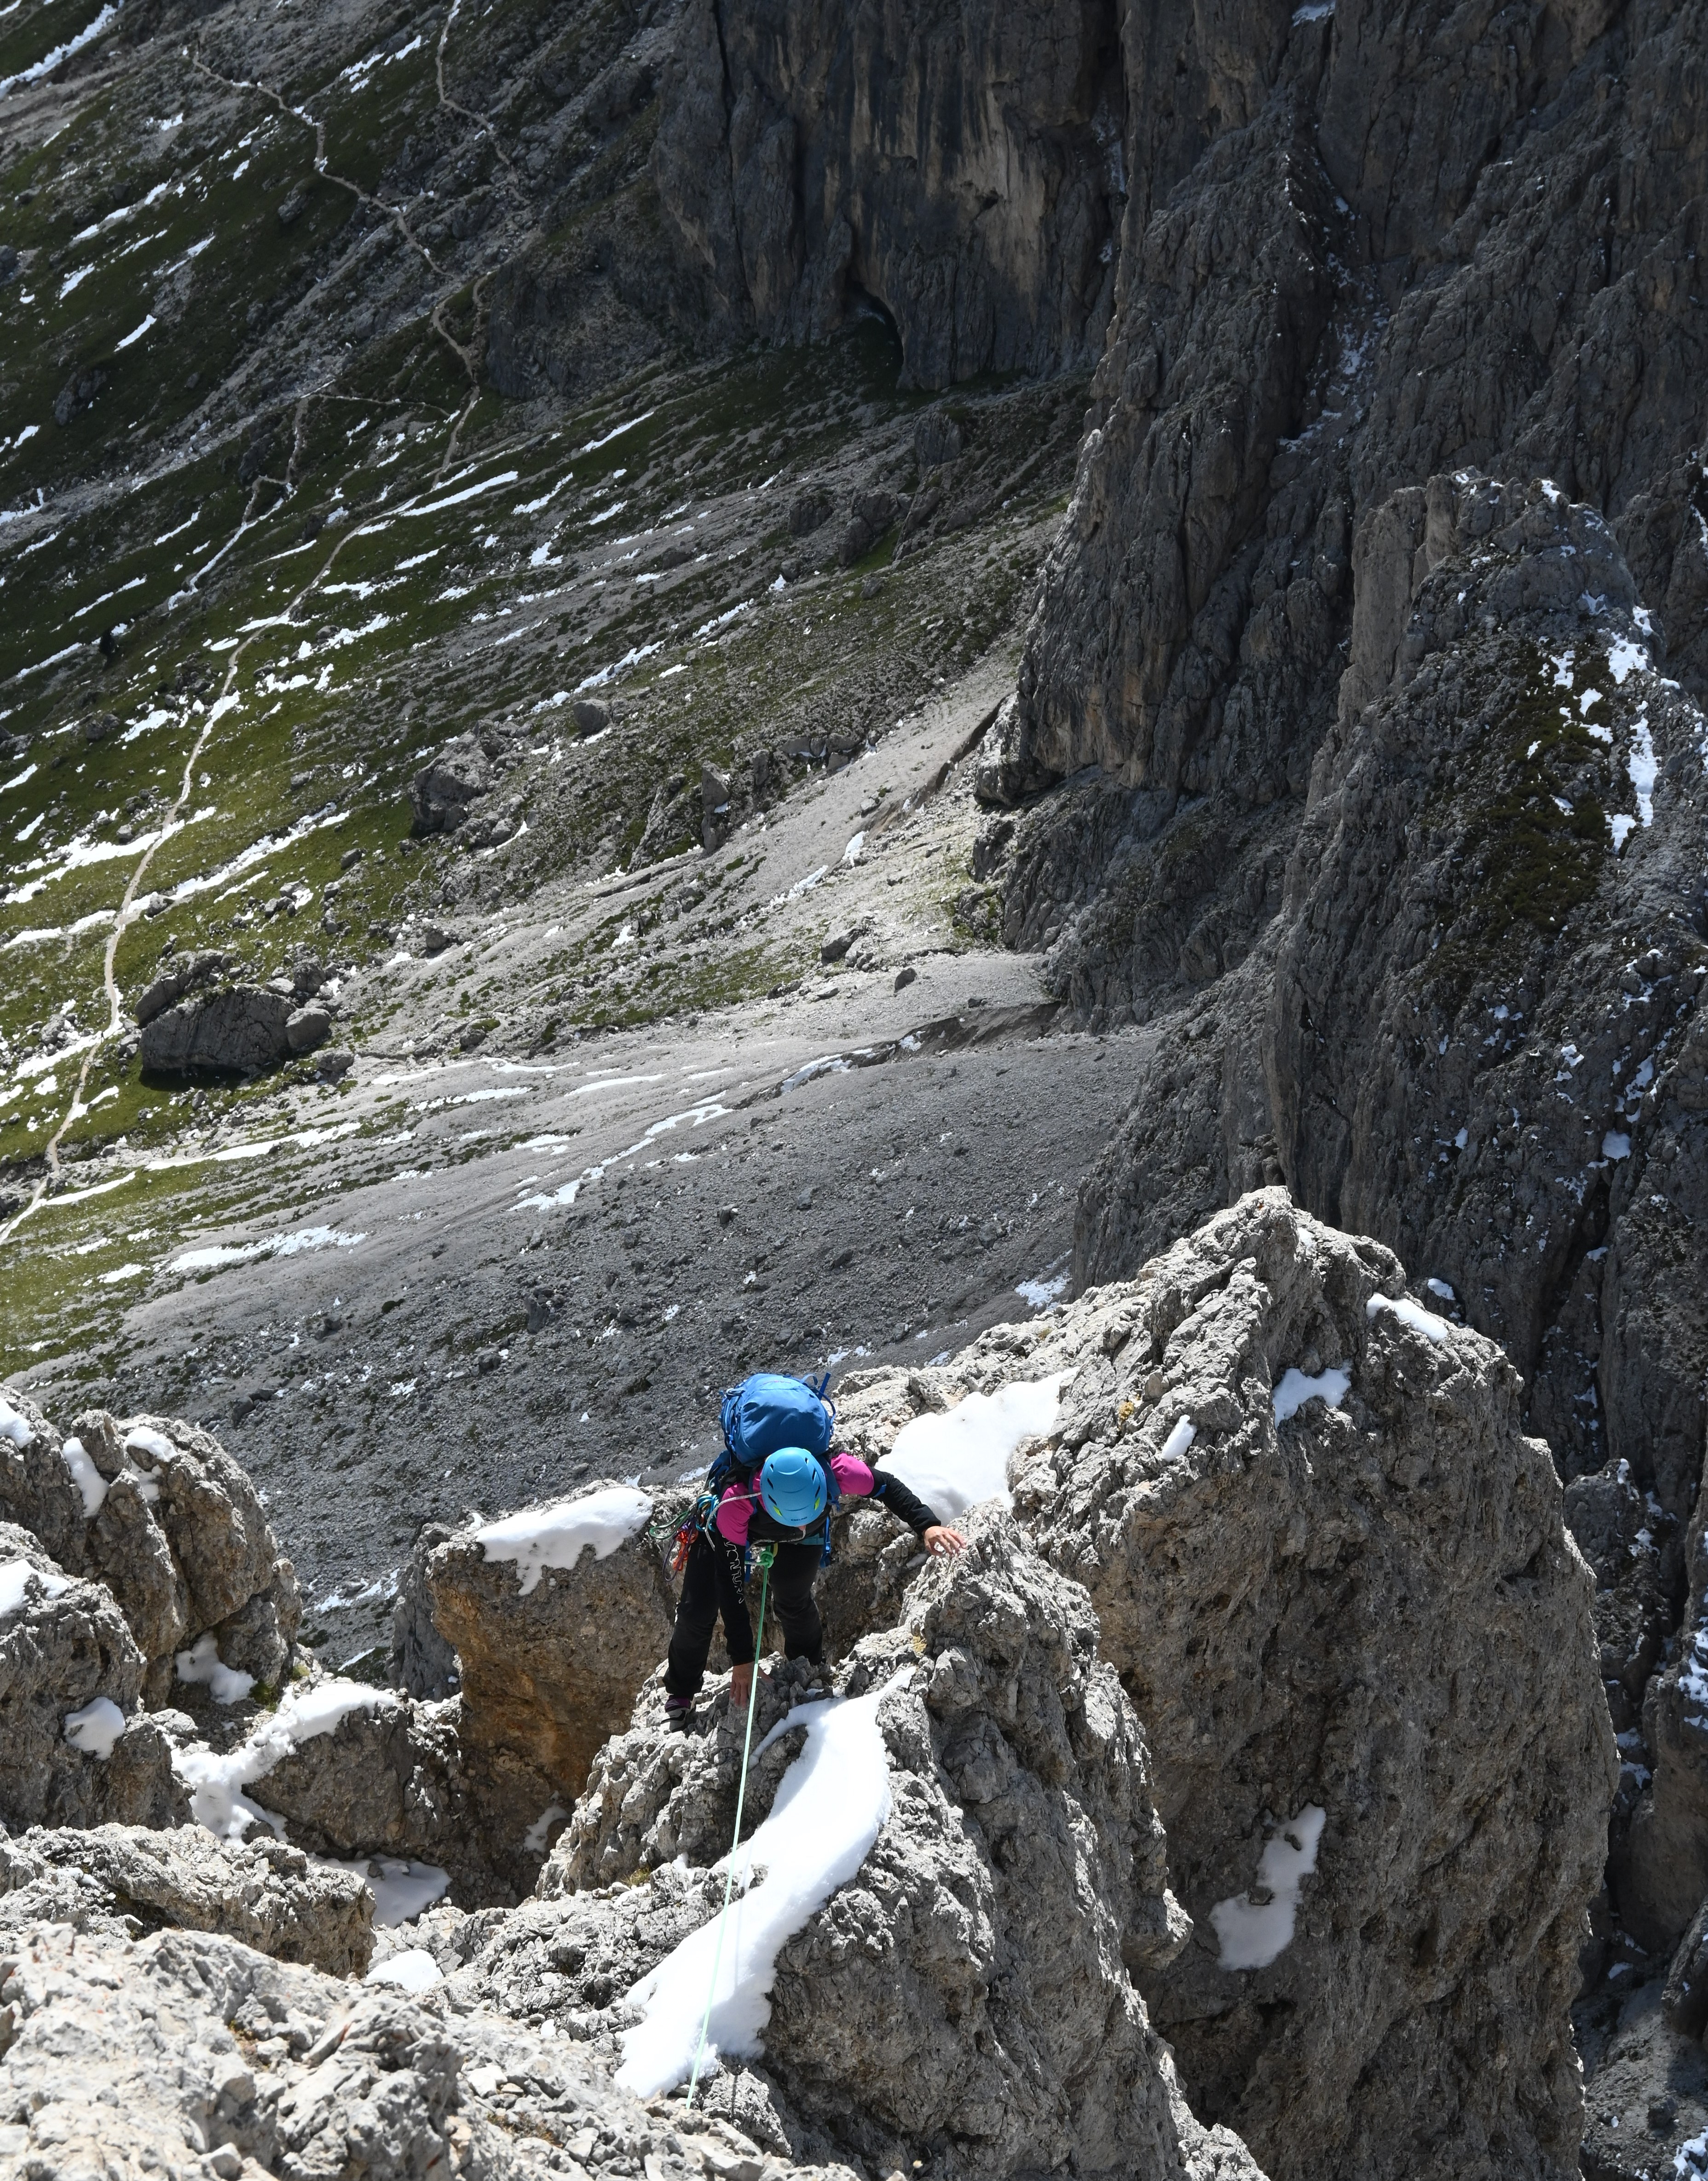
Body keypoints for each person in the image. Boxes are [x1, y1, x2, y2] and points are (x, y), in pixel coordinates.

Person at [663, 1376, 965, 1728]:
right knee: (698, 1609)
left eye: (808, 1517)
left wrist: (926, 1524)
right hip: (739, 1527)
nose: (801, 1526)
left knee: (792, 1597)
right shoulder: (736, 1501)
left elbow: (886, 1486)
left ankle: (809, 1668)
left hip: (786, 1527)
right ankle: (681, 1692)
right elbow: (729, 1585)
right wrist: (743, 1659)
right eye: (796, 1521)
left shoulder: (838, 1470)